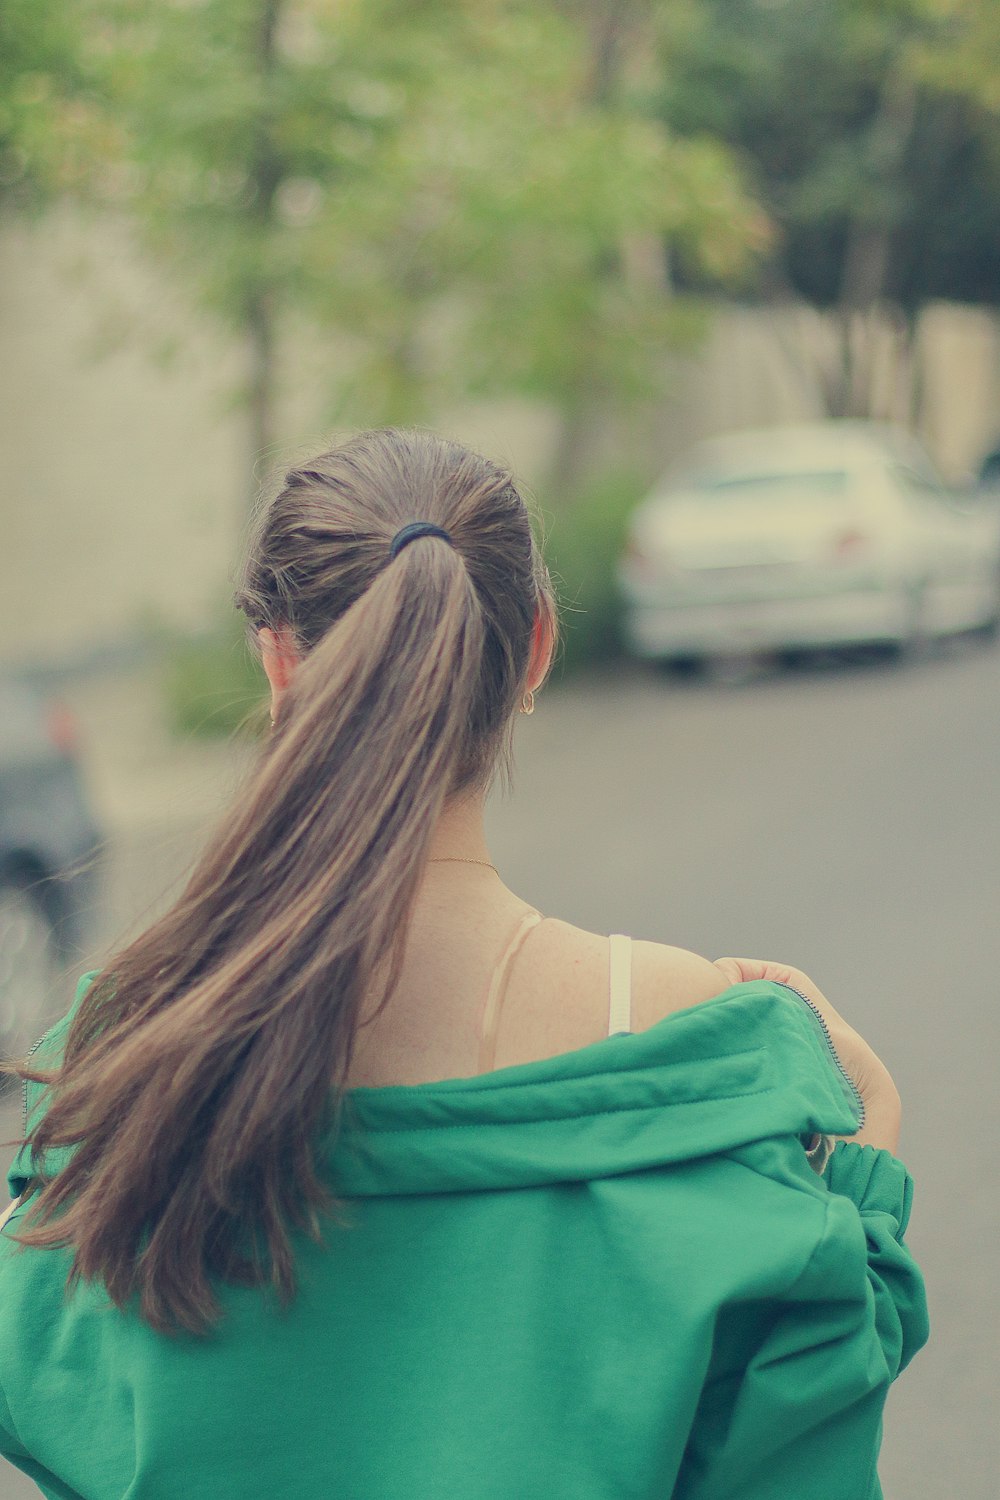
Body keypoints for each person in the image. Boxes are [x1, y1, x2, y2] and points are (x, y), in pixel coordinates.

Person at [0, 429, 926, 1499]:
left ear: (280, 663)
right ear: (534, 650)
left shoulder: (124, 1055)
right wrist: (863, 1188)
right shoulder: (699, 1043)